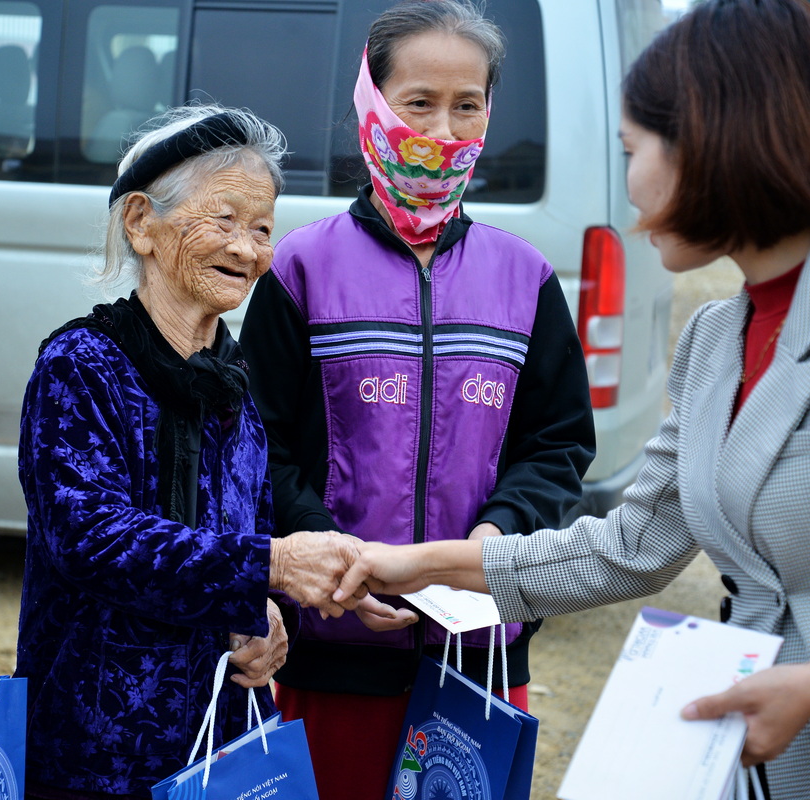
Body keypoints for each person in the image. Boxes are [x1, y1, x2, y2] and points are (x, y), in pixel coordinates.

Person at [335, 1, 810, 796]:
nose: (628, 186)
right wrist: (419, 564)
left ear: (719, 141)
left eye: (631, 150)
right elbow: (631, 545)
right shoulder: (716, 336)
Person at [238, 1, 596, 796]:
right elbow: (258, 446)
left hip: (481, 661)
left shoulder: (526, 278)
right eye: (419, 103)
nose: (441, 130)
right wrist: (336, 560)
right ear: (371, 106)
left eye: (466, 105)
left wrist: (495, 541)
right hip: (332, 654)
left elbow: (559, 443)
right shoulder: (300, 269)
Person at [14, 105, 403, 800]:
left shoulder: (232, 384)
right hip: (96, 752)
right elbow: (90, 538)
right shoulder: (83, 366)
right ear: (142, 223)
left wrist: (267, 616)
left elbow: (244, 540)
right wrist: (271, 566)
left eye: (262, 229)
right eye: (224, 220)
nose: (248, 250)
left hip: (218, 748)